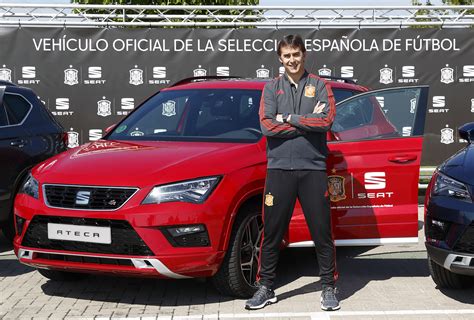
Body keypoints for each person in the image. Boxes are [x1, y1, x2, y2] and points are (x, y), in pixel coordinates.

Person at [245, 34, 339, 311]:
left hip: (313, 169)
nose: (292, 60)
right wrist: (306, 123)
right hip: (279, 170)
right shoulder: (271, 89)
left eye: (296, 54)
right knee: (272, 232)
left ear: (304, 54)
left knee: (321, 232)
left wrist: (289, 118)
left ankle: (328, 287)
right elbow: (266, 126)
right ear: (280, 58)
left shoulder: (320, 85)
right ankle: (266, 287)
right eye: (286, 55)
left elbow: (326, 121)